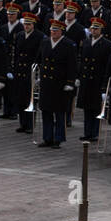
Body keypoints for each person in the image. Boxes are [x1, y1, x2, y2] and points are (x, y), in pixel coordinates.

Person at [38, 19, 77, 148]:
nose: (53, 32)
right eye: (51, 30)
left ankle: (58, 138)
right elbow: (40, 60)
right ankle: (47, 137)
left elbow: (72, 65)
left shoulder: (68, 44)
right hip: (46, 82)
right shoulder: (45, 42)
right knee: (46, 111)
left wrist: (70, 82)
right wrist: (39, 77)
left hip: (60, 84)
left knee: (60, 113)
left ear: (61, 31)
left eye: (56, 30)